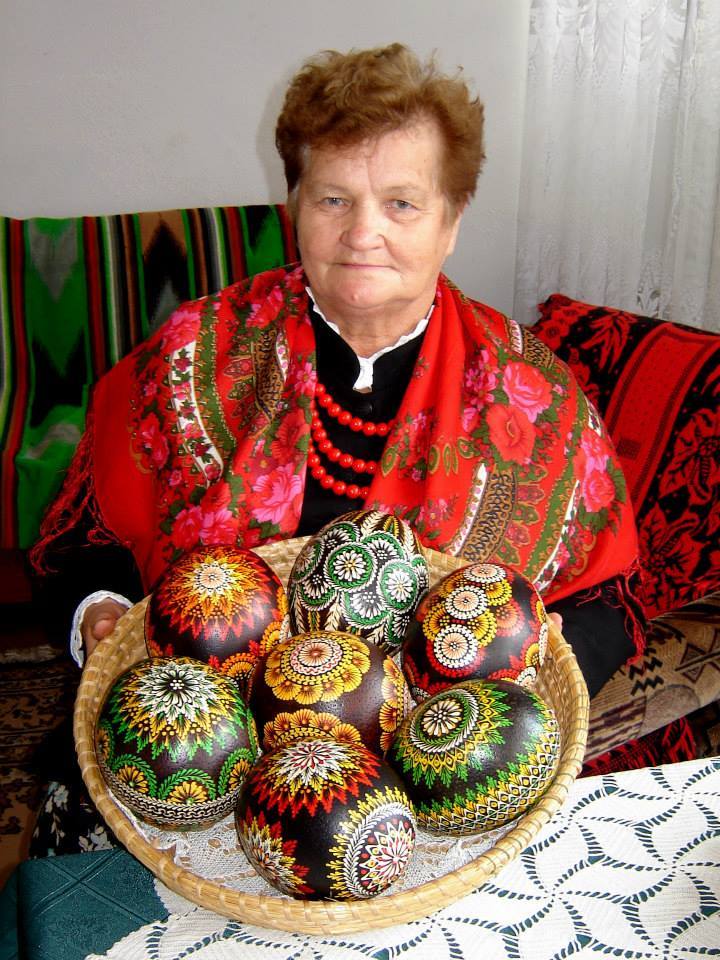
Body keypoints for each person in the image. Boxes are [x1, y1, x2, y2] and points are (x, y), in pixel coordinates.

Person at [29, 43, 643, 854]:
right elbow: (85, 535)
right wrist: (98, 613)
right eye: (332, 199)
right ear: (294, 205)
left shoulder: (534, 393)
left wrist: (517, 713)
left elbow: (609, 602)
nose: (363, 234)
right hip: (188, 759)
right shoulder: (193, 353)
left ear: (453, 220)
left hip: (434, 787)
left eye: (401, 204)